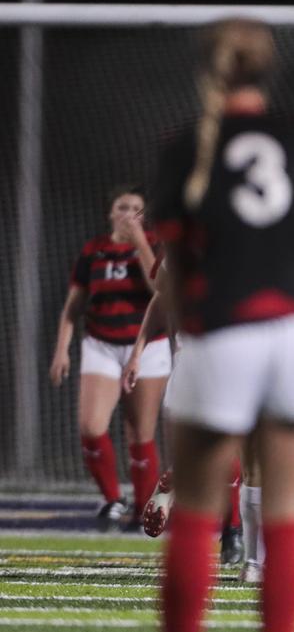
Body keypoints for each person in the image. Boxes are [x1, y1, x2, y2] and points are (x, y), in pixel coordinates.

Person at [153, 18, 294, 632]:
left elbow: (174, 274)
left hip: (224, 329)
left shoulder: (189, 148)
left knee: (193, 510)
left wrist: (195, 344)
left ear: (206, 72)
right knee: (287, 513)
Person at [50, 184, 169, 532]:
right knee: (91, 425)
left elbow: (158, 290)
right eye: (122, 207)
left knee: (140, 433)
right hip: (101, 343)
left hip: (148, 345)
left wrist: (140, 243)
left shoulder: (153, 245)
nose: (128, 213)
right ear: (111, 213)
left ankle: (145, 516)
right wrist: (61, 349)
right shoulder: (94, 251)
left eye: (136, 208)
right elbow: (73, 307)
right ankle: (112, 498)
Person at [122, 259, 246, 571]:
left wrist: (140, 350)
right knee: (237, 447)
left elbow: (161, 298)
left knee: (227, 448)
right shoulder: (242, 238)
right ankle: (231, 531)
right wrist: (139, 351)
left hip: (197, 357)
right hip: (222, 355)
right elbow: (163, 297)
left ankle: (220, 525)